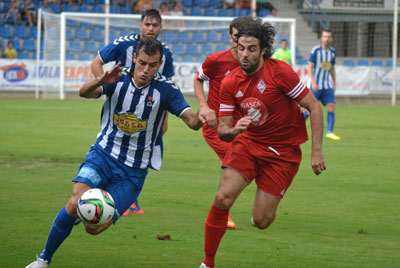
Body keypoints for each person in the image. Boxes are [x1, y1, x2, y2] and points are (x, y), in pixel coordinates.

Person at [25, 37, 214, 268]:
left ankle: (84, 212)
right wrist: (100, 80)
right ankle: (43, 260)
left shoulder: (166, 89)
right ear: (135, 57)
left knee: (93, 228)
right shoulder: (117, 77)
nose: (145, 70)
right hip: (103, 155)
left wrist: (203, 115)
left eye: (152, 65)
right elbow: (83, 93)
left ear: (159, 64)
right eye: (142, 63)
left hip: (133, 172)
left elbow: (192, 122)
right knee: (74, 203)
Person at [198, 21, 326, 268]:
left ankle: (266, 200)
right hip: (248, 144)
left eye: (252, 49)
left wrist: (317, 152)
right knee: (223, 198)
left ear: (263, 50)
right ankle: (207, 263)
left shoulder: (281, 73)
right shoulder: (229, 82)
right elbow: (223, 130)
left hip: (282, 152)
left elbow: (314, 106)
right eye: (241, 48)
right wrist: (234, 130)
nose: (245, 54)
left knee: (262, 220)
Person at [91, 9, 174, 215]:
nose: (151, 29)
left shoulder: (166, 52)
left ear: (161, 28)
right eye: (147, 24)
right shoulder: (123, 43)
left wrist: (165, 117)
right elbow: (96, 62)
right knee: (113, 143)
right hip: (121, 108)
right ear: (140, 26)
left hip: (150, 108)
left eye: (155, 25)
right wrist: (107, 91)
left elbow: (169, 85)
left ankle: (127, 195)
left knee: (143, 144)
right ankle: (114, 193)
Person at [194, 16, 260, 229]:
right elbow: (198, 79)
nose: (239, 46)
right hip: (217, 128)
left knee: (256, 165)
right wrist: (204, 106)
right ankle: (223, 214)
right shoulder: (216, 61)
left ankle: (263, 213)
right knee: (232, 164)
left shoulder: (252, 64)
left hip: (242, 129)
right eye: (235, 38)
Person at [305, 29, 341, 141]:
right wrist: (313, 82)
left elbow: (332, 68)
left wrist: (334, 82)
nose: (327, 39)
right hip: (315, 85)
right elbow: (310, 67)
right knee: (309, 110)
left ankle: (329, 132)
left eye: (329, 37)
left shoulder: (332, 52)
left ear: (332, 38)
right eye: (325, 36)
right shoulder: (315, 51)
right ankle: (294, 126)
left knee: (331, 106)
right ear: (321, 38)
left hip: (326, 85)